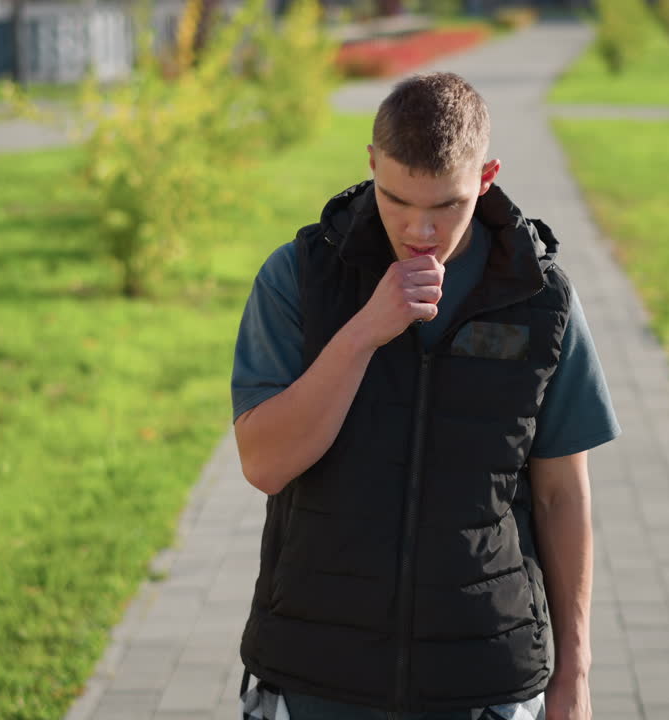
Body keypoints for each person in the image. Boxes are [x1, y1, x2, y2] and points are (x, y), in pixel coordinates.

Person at [230, 72, 620, 720]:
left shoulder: (540, 299)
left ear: (487, 176)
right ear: (372, 164)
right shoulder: (299, 277)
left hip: (485, 680)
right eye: (396, 200)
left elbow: (562, 495)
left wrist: (574, 676)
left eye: (446, 206)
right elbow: (264, 464)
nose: (419, 230)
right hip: (315, 675)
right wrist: (364, 334)